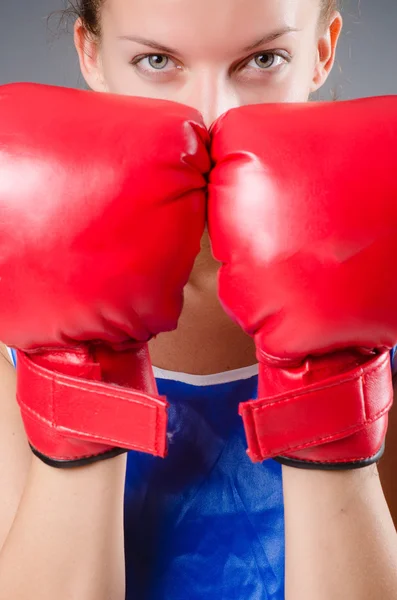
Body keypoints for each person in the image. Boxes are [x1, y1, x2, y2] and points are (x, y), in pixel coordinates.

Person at [0, 1, 396, 600]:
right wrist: (82, 365)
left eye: (264, 59)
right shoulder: (14, 299)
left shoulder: (385, 288)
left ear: (320, 51)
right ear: (92, 56)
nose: (213, 115)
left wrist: (330, 372)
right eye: (157, 61)